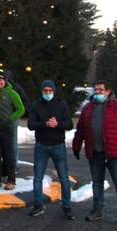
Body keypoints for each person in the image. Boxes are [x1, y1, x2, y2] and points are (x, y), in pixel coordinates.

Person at [72, 80, 117, 227]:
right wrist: (76, 146)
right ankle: (97, 210)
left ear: (108, 91)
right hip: (95, 153)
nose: (98, 93)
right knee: (97, 184)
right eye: (96, 90)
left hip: (114, 154)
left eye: (101, 90)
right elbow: (81, 130)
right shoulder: (88, 109)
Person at [27, 80, 74, 219]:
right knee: (38, 178)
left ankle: (66, 206)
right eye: (45, 91)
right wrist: (45, 124)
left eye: (50, 91)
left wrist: (58, 124)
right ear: (42, 92)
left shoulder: (61, 104)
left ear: (54, 91)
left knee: (64, 178)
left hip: (58, 145)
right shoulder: (36, 105)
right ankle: (38, 205)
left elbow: (69, 124)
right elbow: (31, 124)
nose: (47, 93)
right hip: (41, 145)